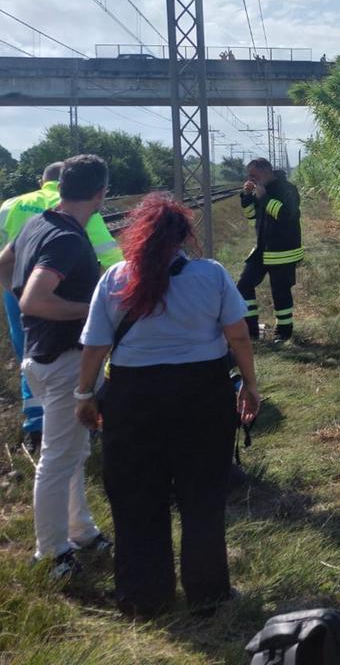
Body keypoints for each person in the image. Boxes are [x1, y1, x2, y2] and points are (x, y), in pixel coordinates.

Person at [75, 194, 260, 616]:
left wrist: (84, 394)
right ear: (184, 237)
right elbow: (239, 336)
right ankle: (208, 593)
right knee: (202, 496)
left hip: (132, 398)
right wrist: (249, 385)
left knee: (136, 496)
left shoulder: (115, 278)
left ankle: (144, 596)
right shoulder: (211, 275)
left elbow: (95, 346)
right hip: (203, 394)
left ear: (136, 236)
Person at [0, 155, 112, 580]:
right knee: (57, 458)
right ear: (101, 194)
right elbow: (35, 300)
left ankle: (81, 531)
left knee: (72, 452)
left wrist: (19, 306)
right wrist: (98, 312)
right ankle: (51, 554)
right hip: (62, 360)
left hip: (40, 355)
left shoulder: (36, 223)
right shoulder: (66, 239)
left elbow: (5, 266)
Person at [1, 163, 122, 454]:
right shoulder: (76, 211)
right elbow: (111, 257)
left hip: (18, 290)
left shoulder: (12, 205)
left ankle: (36, 427)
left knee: (30, 355)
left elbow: (3, 257)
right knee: (67, 361)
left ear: (42, 181)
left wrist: (17, 293)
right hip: (61, 292)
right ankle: (73, 423)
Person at [237, 158, 302, 342]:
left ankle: (284, 332)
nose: (251, 178)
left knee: (280, 292)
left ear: (267, 172)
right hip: (262, 249)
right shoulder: (259, 190)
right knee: (243, 285)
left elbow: (285, 215)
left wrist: (264, 197)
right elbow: (252, 217)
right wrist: (247, 197)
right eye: (249, 175)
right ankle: (250, 330)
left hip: (283, 250)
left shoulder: (287, 189)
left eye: (254, 175)